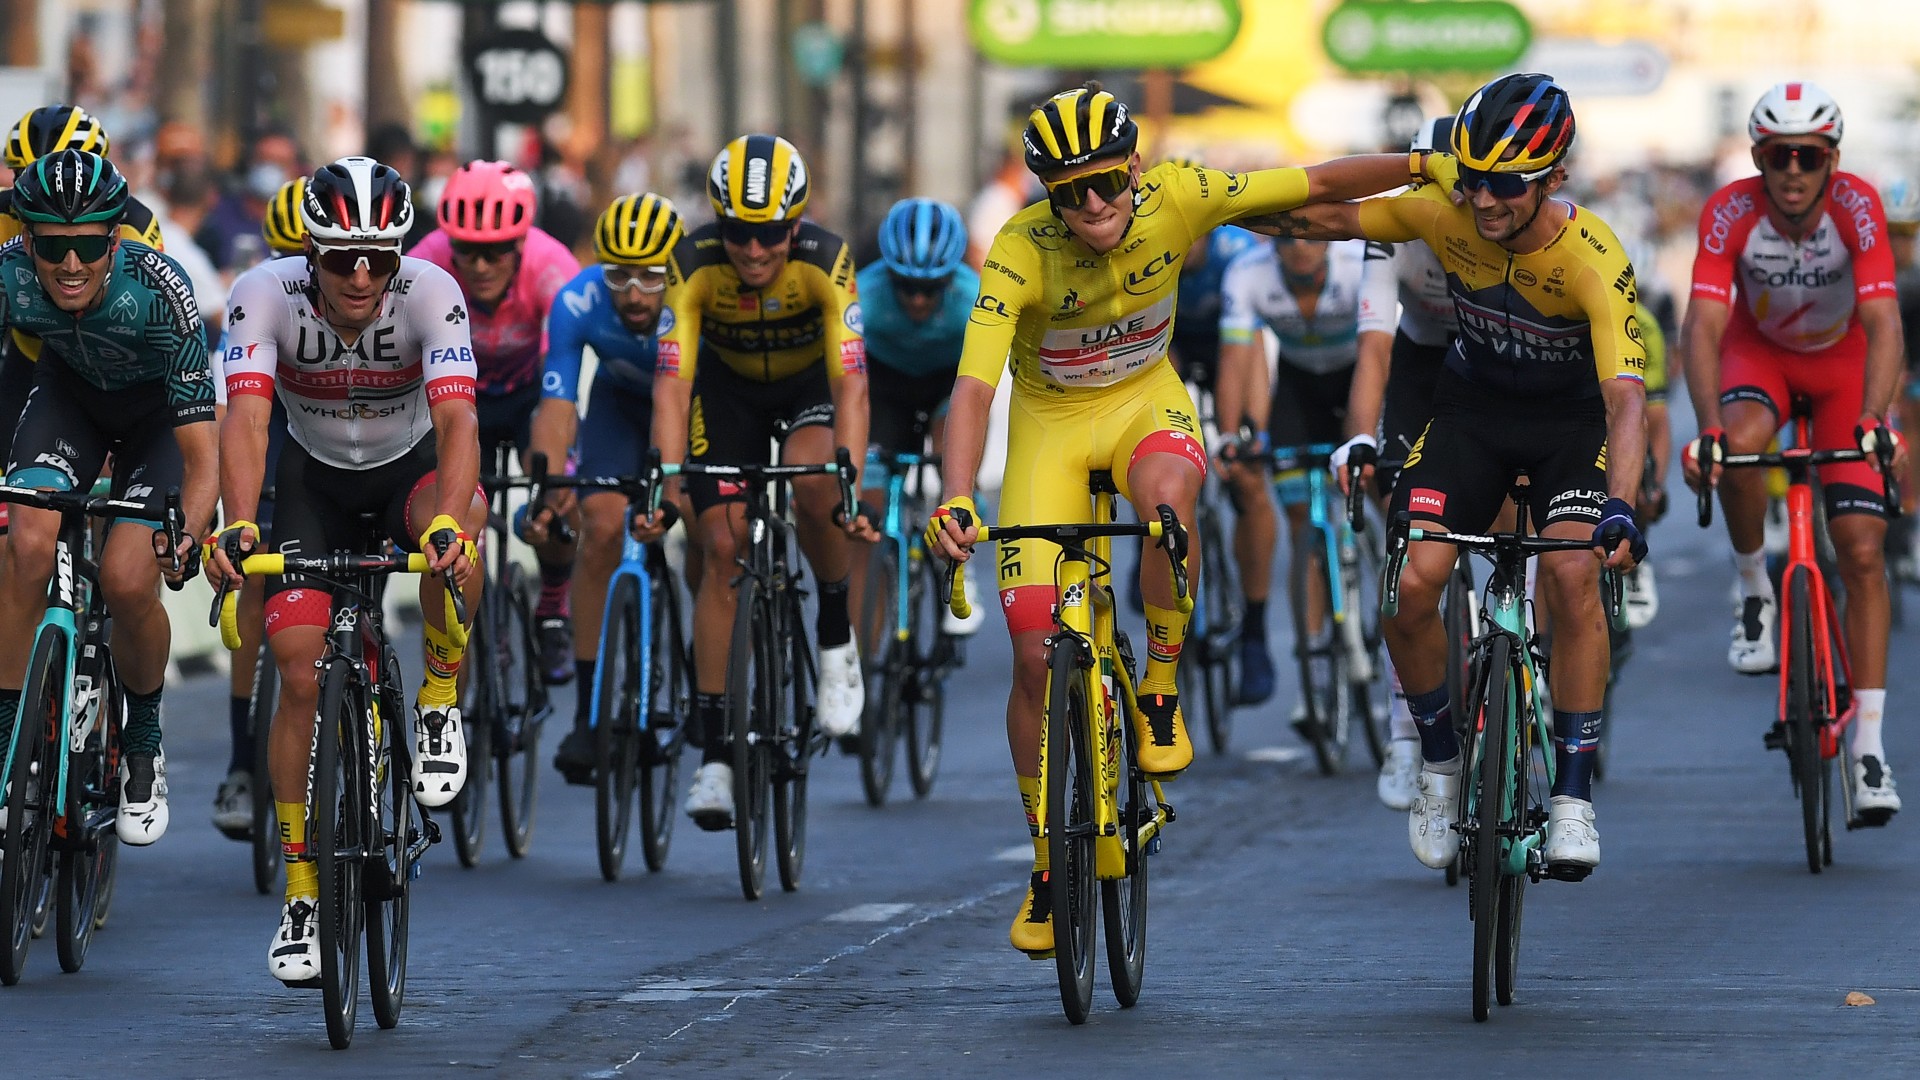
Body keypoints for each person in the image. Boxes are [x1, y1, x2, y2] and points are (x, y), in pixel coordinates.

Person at [924, 82, 1454, 954]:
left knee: (1169, 504)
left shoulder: (1182, 194)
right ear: (1047, 196)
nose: (1094, 204)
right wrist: (955, 494)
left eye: (1107, 182)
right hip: (1051, 430)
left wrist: (1425, 164)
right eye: (1070, 193)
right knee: (1032, 658)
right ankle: (1048, 866)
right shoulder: (1021, 248)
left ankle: (1162, 687)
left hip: (1144, 405)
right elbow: (975, 387)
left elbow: (1318, 182)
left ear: (1136, 167)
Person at [1247, 73, 1649, 874]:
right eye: (1470, 178)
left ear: (1555, 179)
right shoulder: (1446, 208)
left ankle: (1572, 800)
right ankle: (1438, 761)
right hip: (1470, 415)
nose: (1484, 201)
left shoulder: (1593, 257)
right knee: (1409, 584)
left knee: (1572, 576)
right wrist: (1212, 204)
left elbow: (1626, 400)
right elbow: (1322, 210)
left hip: (1569, 428)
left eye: (1506, 184)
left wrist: (1622, 507)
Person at [207, 156, 484, 982]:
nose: (361, 276)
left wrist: (446, 522)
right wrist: (238, 521)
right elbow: (246, 418)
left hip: (409, 473)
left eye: (378, 258)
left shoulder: (432, 291)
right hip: (313, 486)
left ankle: (439, 697)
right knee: (297, 669)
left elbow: (459, 422)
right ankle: (301, 893)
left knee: (460, 529)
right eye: (340, 259)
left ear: (400, 252)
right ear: (310, 253)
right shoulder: (264, 292)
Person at [1681, 81, 1905, 824]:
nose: (1794, 170)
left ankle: (1868, 747)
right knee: (1738, 447)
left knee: (1862, 549)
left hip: (1844, 368)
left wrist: (1874, 417)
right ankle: (1755, 589)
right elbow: (1704, 326)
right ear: (1758, 159)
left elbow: (1883, 321)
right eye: (1779, 156)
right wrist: (1707, 426)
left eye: (1809, 155)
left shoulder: (1859, 206)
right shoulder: (1729, 211)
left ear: (1832, 158)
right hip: (1762, 357)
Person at [642, 134, 873, 830]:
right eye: (737, 232)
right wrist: (665, 486)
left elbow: (851, 384)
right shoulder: (692, 261)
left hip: (808, 390)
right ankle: (716, 755)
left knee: (816, 485)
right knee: (722, 546)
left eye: (769, 233)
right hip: (728, 396)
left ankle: (834, 636)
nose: (751, 250)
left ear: (795, 225)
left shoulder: (826, 259)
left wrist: (850, 482)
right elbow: (671, 386)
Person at [0, 150, 220, 846]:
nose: (70, 265)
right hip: (69, 405)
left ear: (115, 240)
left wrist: (188, 533)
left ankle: (144, 742)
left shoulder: (161, 292)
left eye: (88, 246)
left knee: (127, 579)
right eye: (52, 247)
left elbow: (203, 458)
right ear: (27, 241)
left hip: (158, 423)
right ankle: (7, 745)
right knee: (26, 546)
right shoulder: (9, 275)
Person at [524, 192, 683, 784]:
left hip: (690, 404)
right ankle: (590, 715)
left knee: (711, 528)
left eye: (651, 277)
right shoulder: (578, 300)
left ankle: (711, 680)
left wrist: (672, 492)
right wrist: (550, 487)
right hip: (618, 406)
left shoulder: (695, 296)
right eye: (619, 275)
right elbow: (558, 403)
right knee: (601, 528)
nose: (634, 295)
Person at [412, 160, 583, 684]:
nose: (481, 265)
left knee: (559, 491)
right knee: (456, 526)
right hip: (456, 400)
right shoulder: (426, 263)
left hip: (532, 394)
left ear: (521, 243)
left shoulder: (553, 268)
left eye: (497, 251)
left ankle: (552, 604)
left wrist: (552, 480)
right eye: (467, 251)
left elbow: (560, 392)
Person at [1338, 116, 1461, 810]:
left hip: (1492, 360)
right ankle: (1404, 729)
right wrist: (1362, 437)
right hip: (1419, 360)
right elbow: (1376, 347)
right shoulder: (1394, 228)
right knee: (1402, 533)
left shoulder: (1499, 220)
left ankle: (1525, 637)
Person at [1213, 234, 1367, 723]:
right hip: (1299, 391)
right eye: (1287, 238)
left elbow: (1385, 350)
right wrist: (1227, 436)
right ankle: (1316, 676)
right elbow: (1235, 358)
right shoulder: (1248, 271)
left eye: (1311, 236)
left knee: (1386, 496)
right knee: (1302, 519)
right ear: (1271, 243)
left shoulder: (1357, 263)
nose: (1300, 246)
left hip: (1361, 379)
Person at [210, 176, 306, 839]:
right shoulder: (256, 298)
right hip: (268, 434)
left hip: (335, 436)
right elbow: (230, 415)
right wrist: (232, 513)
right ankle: (244, 764)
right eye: (284, 255)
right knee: (253, 580)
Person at [850, 197, 983, 636]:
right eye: (906, 286)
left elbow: (981, 387)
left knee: (953, 458)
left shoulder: (972, 297)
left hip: (947, 384)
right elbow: (844, 380)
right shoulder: (863, 294)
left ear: (951, 279)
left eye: (932, 287)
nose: (919, 299)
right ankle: (864, 657)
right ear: (888, 274)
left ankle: (961, 566)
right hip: (886, 387)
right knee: (868, 510)